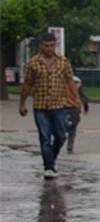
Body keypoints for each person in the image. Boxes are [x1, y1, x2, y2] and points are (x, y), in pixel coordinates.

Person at [19, 32, 75, 179]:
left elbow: (70, 80)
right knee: (45, 137)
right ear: (41, 46)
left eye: (51, 45)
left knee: (61, 136)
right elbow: (27, 84)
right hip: (40, 106)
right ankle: (49, 167)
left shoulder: (63, 62)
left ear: (55, 45)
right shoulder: (33, 63)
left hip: (59, 105)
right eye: (46, 45)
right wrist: (22, 104)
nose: (49, 48)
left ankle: (51, 157)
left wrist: (77, 98)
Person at [65, 75, 89, 153]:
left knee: (61, 126)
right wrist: (86, 108)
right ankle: (70, 146)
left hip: (62, 108)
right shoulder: (78, 84)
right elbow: (84, 97)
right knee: (73, 128)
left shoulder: (61, 83)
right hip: (75, 108)